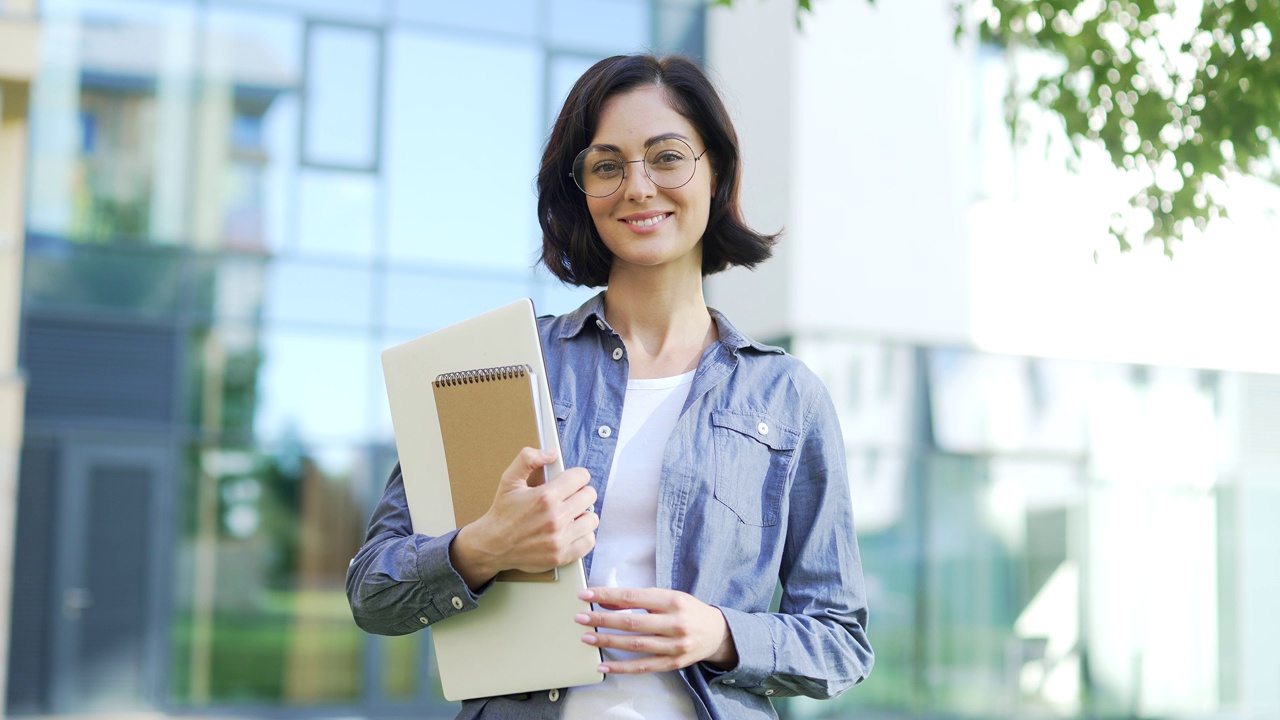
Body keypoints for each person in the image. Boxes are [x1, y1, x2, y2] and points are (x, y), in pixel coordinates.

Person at [346, 53, 873, 719]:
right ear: (581, 193)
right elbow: (372, 591)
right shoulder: (505, 363)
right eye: (606, 166)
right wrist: (485, 547)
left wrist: (721, 633)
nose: (639, 186)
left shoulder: (786, 397)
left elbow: (841, 641)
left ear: (716, 172)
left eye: (667, 156)